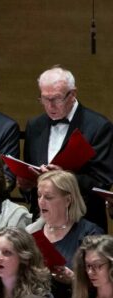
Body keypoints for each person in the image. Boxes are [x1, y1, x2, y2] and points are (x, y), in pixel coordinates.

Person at [21, 66, 113, 227]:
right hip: (42, 222)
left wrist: (64, 178)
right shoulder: (35, 125)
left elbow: (103, 182)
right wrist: (26, 186)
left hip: (83, 222)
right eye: (44, 99)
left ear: (73, 94)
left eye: (56, 99)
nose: (50, 106)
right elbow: (30, 171)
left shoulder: (98, 126)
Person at [26, 169, 104, 298]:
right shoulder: (31, 232)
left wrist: (74, 280)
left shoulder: (90, 234)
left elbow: (104, 283)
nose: (41, 202)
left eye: (48, 197)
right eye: (39, 196)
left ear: (68, 200)